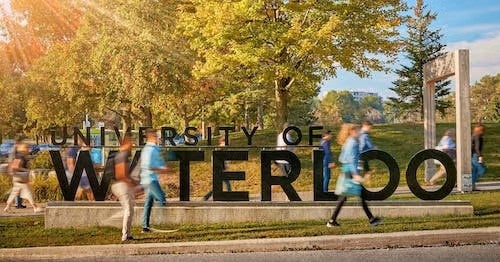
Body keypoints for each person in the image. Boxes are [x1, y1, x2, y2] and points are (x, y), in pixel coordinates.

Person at [326, 124, 382, 227]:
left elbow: (341, 158)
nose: (358, 131)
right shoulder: (352, 143)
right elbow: (352, 160)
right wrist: (355, 174)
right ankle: (372, 220)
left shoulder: (348, 142)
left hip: (346, 171)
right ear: (351, 131)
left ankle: (332, 220)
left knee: (344, 197)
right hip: (350, 172)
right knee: (358, 196)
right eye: (357, 130)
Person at [140, 128, 168, 233]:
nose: (158, 137)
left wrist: (164, 168)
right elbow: (148, 166)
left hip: (152, 178)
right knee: (162, 199)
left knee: (148, 203)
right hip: (149, 179)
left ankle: (145, 226)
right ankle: (163, 222)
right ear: (150, 137)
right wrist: (162, 169)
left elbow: (157, 163)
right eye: (156, 136)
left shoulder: (155, 148)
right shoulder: (149, 149)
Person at [4, 141, 42, 213]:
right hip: (21, 179)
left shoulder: (21, 156)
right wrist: (25, 170)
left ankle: (7, 207)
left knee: (14, 193)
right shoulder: (20, 157)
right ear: (24, 149)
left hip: (18, 179)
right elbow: (15, 166)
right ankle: (35, 207)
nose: (29, 150)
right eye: (27, 148)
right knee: (28, 193)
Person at [111, 134, 135, 242]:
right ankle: (125, 236)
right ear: (126, 143)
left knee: (130, 209)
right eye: (131, 143)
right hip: (121, 185)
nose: (132, 145)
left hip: (120, 185)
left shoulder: (121, 155)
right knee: (128, 210)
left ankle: (127, 234)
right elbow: (121, 174)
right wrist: (130, 183)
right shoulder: (123, 155)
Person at [8, 136, 26, 209]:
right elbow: (15, 161)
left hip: (16, 170)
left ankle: (18, 203)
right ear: (19, 141)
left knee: (18, 188)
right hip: (17, 170)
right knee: (18, 187)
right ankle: (17, 204)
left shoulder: (14, 149)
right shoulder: (15, 149)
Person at [471, 124, 486, 190]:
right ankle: (470, 182)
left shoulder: (474, 135)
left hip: (473, 155)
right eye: (482, 130)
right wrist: (480, 156)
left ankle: (472, 186)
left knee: (474, 170)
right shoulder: (477, 136)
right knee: (481, 170)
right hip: (475, 155)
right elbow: (477, 148)